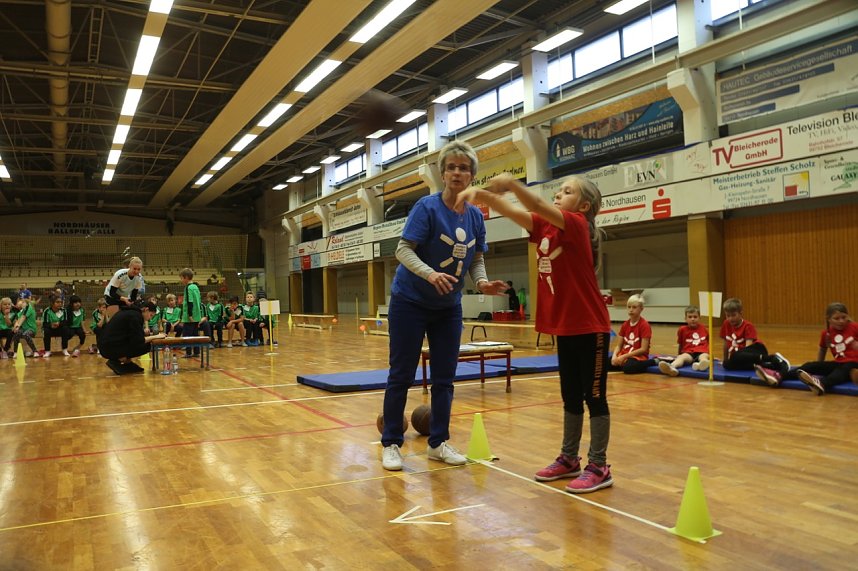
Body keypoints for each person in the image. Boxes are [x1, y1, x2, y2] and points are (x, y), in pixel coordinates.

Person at [458, 173, 613, 493]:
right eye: (558, 190)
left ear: (583, 206)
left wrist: (512, 184)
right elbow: (514, 211)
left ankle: (599, 464)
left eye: (567, 191)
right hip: (565, 327)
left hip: (590, 326)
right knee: (570, 395)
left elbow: (536, 203)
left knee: (594, 397)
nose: (558, 194)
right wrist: (483, 195)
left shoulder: (576, 224)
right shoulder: (544, 227)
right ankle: (570, 458)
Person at [380, 140, 508, 472]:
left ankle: (438, 443)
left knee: (445, 378)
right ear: (442, 172)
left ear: (472, 175)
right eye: (450, 167)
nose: (456, 172)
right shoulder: (427, 207)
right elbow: (403, 250)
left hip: (448, 307)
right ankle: (391, 442)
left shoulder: (477, 216)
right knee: (402, 374)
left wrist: (481, 283)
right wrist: (429, 272)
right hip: (410, 302)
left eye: (463, 167)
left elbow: (476, 259)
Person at [755, 302, 858, 395]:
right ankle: (779, 376)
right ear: (829, 319)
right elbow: (822, 349)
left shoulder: (854, 327)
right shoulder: (826, 333)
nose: (841, 321)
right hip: (839, 363)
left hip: (854, 363)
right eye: (837, 318)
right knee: (809, 366)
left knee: (841, 371)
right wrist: (819, 365)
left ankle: (822, 384)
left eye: (844, 317)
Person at [720, 297, 790, 376]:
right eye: (728, 316)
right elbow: (725, 344)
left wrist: (738, 358)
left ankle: (771, 358)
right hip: (740, 356)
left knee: (735, 356)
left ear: (740, 313)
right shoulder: (726, 324)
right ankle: (767, 365)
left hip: (755, 350)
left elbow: (748, 347)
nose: (730, 318)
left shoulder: (748, 326)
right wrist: (725, 359)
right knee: (726, 364)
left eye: (733, 315)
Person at [98, 301, 165, 375]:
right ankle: (116, 360)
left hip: (105, 346)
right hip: (110, 348)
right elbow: (138, 341)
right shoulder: (135, 316)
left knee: (135, 343)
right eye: (151, 315)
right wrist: (156, 336)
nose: (150, 319)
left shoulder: (130, 312)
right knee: (146, 346)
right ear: (146, 309)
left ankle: (127, 362)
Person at [610, 294, 657, 374]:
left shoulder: (644, 325)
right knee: (607, 364)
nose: (631, 310)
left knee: (629, 368)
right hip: (625, 355)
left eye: (634, 307)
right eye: (629, 307)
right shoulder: (625, 325)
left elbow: (643, 349)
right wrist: (614, 356)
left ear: (641, 309)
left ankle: (653, 361)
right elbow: (619, 346)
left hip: (638, 357)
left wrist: (624, 357)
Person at [658, 305, 710, 376]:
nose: (692, 319)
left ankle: (702, 364)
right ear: (685, 318)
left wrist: (709, 354)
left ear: (699, 318)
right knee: (682, 357)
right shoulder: (682, 329)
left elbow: (708, 342)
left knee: (703, 357)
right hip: (689, 352)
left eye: (695, 317)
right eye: (690, 317)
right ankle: (672, 367)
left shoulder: (703, 328)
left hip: (702, 351)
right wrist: (679, 355)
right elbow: (681, 343)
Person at [179, 268, 204, 357]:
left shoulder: (188, 288)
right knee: (195, 334)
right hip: (197, 316)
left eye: (181, 278)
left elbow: (190, 302)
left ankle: (188, 352)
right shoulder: (196, 287)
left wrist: (189, 315)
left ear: (186, 277)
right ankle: (196, 352)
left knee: (187, 335)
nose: (181, 280)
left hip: (190, 317)